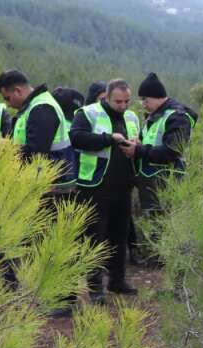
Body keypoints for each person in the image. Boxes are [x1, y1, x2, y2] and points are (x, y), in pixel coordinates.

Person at [70, 78, 140, 304]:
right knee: (94, 238)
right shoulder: (88, 113)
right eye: (118, 101)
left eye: (127, 101)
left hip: (123, 186)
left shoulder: (131, 116)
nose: (123, 105)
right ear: (106, 97)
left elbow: (140, 142)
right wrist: (108, 139)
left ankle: (117, 281)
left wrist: (137, 145)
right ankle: (95, 288)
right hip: (94, 187)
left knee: (119, 237)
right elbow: (77, 138)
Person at [130, 72, 195, 267]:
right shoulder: (154, 116)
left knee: (169, 224)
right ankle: (159, 261)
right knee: (156, 223)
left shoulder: (176, 116)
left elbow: (172, 151)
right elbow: (152, 143)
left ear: (158, 96)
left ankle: (173, 265)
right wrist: (138, 144)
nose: (143, 103)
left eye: (145, 99)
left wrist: (139, 150)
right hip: (151, 182)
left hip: (168, 182)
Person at [0, 69, 76, 196]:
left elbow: (37, 152)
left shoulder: (42, 108)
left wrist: (7, 149)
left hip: (50, 188)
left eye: (7, 98)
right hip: (40, 183)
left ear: (18, 91)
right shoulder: (32, 106)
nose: (8, 104)